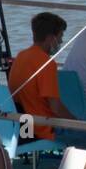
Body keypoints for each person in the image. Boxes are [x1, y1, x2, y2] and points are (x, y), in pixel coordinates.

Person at [7, 12, 76, 142]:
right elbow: (55, 107)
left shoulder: (21, 56)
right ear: (51, 38)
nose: (61, 41)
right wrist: (77, 123)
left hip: (22, 127)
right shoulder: (47, 63)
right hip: (43, 130)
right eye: (60, 36)